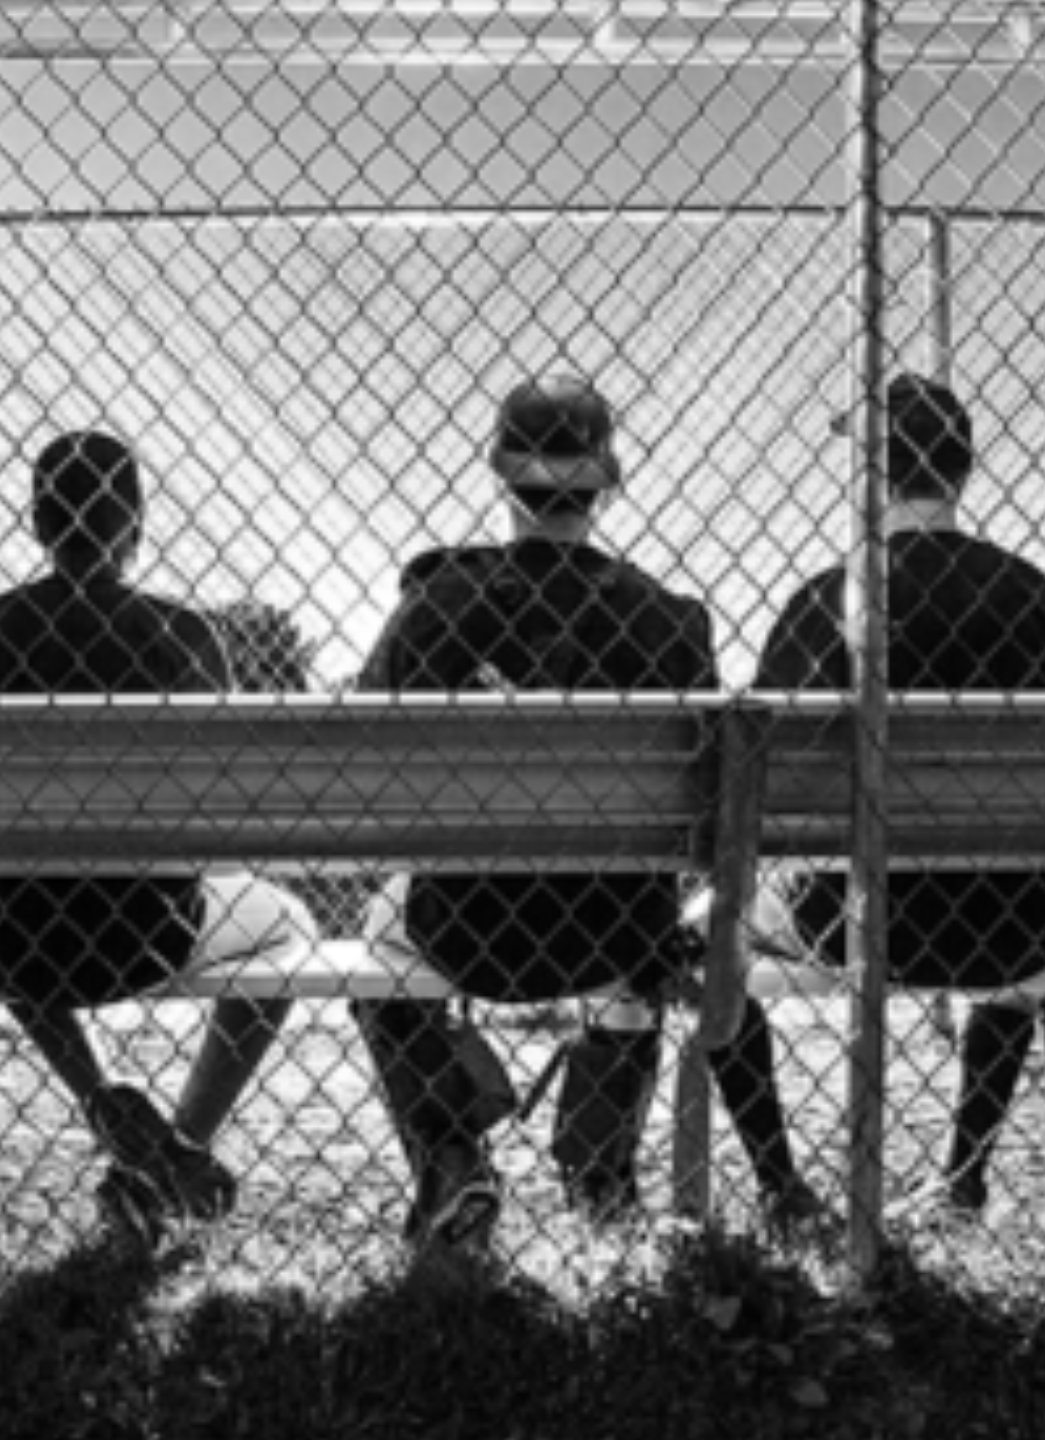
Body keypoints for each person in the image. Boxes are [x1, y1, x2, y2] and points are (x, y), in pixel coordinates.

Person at [354, 374, 818, 1249]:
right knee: (655, 920)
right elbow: (706, 811)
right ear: (607, 477)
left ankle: (449, 1152)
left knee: (379, 932)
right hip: (616, 930)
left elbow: (368, 768)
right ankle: (599, 1171)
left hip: (465, 925)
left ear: (500, 473)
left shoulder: (433, 606)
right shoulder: (671, 623)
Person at [0, 430, 300, 1243]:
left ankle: (96, 1094)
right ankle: (183, 1143)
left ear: (37, 524)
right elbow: (222, 814)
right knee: (290, 929)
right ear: (136, 526)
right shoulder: (187, 636)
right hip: (142, 932)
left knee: (9, 894)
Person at [755, 371, 1045, 1219]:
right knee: (1026, 932)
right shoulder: (1034, 596)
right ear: (962, 472)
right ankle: (962, 1175)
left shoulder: (823, 599)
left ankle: (783, 1188)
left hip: (845, 917)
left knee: (718, 934)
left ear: (871, 478)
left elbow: (760, 786)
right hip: (1011, 922)